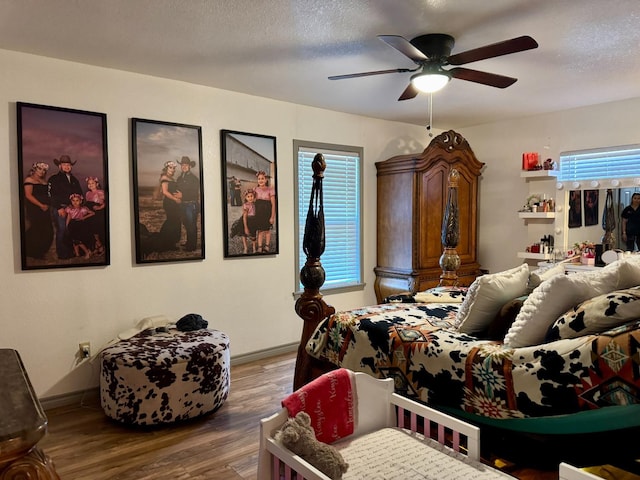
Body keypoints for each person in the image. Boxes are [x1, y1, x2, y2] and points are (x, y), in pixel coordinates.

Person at [48, 155, 83, 259]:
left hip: (73, 209)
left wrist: (78, 206)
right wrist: (59, 208)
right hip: (60, 208)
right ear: (60, 166)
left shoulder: (74, 179)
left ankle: (71, 251)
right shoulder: (54, 179)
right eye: (64, 165)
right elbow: (50, 195)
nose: (67, 167)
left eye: (69, 165)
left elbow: (80, 193)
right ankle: (62, 254)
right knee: (62, 229)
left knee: (71, 229)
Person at [23, 162, 53, 259]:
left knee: (48, 230)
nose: (42, 171)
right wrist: (40, 205)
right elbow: (28, 195)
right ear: (35, 169)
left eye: (44, 170)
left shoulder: (43, 181)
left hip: (45, 208)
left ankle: (40, 251)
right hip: (35, 208)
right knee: (37, 229)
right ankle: (34, 252)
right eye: (40, 169)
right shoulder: (29, 179)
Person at [176, 156, 200, 251]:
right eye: (182, 165)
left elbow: (194, 192)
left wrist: (182, 195)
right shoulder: (179, 178)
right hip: (183, 205)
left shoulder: (194, 179)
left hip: (191, 205)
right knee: (186, 224)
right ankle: (189, 242)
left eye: (186, 165)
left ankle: (192, 246)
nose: (184, 166)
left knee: (191, 225)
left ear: (190, 166)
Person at [157, 160, 182, 251]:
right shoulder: (164, 177)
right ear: (166, 168)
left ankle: (171, 243)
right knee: (171, 221)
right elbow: (165, 192)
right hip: (170, 203)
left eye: (174, 168)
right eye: (170, 168)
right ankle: (165, 242)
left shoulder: (171, 178)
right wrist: (175, 199)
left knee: (174, 222)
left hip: (174, 203)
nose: (172, 169)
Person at [65, 193, 95, 259]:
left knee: (77, 240)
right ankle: (77, 254)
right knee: (73, 239)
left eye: (77, 200)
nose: (75, 202)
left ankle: (87, 252)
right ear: (71, 201)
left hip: (80, 225)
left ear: (80, 201)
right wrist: (66, 226)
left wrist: (84, 217)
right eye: (73, 201)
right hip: (72, 224)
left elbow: (93, 213)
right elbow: (69, 217)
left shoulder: (83, 209)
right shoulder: (70, 209)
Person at [253, 170, 276, 253]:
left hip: (267, 213)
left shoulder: (270, 189)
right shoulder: (255, 189)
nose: (261, 180)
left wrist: (272, 216)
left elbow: (273, 204)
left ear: (266, 180)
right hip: (258, 213)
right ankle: (259, 247)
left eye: (262, 178)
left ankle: (266, 246)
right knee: (259, 230)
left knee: (267, 230)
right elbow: (252, 201)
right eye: (259, 179)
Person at [84, 176, 106, 255]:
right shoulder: (87, 193)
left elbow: (105, 203)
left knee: (97, 228)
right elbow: (87, 204)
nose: (90, 185)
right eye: (89, 183)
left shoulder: (101, 192)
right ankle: (97, 244)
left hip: (99, 212)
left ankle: (100, 245)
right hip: (91, 212)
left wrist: (100, 207)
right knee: (91, 228)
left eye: (92, 183)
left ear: (97, 184)